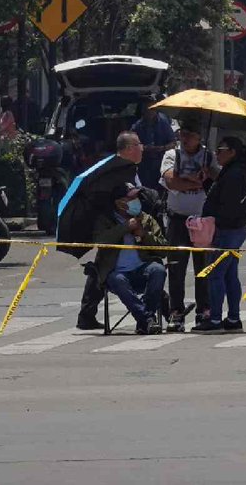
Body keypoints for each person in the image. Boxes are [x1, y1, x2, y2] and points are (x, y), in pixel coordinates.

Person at [75, 132, 143, 330]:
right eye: (139, 144)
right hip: (111, 222)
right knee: (104, 265)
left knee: (103, 264)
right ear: (129, 148)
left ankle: (86, 314)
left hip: (124, 223)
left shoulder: (129, 168)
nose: (143, 148)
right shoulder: (113, 169)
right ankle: (86, 313)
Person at [160, 118, 220, 331]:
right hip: (178, 219)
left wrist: (208, 174)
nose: (185, 138)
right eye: (183, 134)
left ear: (199, 137)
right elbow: (170, 181)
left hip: (202, 220)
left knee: (203, 268)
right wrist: (195, 182)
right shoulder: (171, 155)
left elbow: (218, 180)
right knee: (176, 268)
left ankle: (204, 311)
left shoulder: (208, 156)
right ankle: (176, 313)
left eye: (190, 134)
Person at [193, 136, 246, 333]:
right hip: (232, 229)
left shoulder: (235, 174)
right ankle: (233, 318)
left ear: (232, 152)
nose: (216, 154)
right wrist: (208, 182)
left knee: (215, 274)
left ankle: (214, 319)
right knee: (229, 275)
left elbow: (227, 204)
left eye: (220, 150)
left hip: (228, 230)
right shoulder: (230, 172)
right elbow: (218, 195)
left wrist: (213, 222)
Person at [92, 183, 167, 334]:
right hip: (117, 273)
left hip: (142, 269)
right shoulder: (105, 220)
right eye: (131, 198)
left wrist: (144, 234)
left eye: (136, 198)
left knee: (158, 270)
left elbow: (163, 249)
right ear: (119, 202)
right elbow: (101, 240)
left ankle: (145, 320)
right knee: (117, 279)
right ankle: (147, 319)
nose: (136, 201)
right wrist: (125, 227)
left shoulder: (146, 219)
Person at [131, 104, 176, 193]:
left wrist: (162, 148)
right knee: (146, 191)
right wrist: (145, 148)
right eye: (147, 110)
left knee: (163, 190)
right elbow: (130, 145)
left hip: (162, 162)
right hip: (144, 165)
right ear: (143, 111)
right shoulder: (137, 126)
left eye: (152, 110)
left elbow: (173, 143)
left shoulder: (164, 124)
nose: (150, 112)